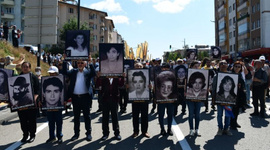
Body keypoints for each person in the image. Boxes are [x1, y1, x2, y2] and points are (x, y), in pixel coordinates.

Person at [62, 56, 96, 142]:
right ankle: (76, 134)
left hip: (85, 97)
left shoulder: (88, 72)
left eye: (81, 63)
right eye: (78, 63)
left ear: (85, 64)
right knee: (76, 117)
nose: (80, 64)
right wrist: (65, 60)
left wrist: (90, 62)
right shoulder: (73, 71)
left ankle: (88, 133)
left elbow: (94, 73)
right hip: (75, 97)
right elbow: (65, 72)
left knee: (86, 116)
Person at [96, 73, 124, 141]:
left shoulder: (116, 77)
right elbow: (97, 85)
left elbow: (121, 84)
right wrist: (98, 77)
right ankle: (105, 133)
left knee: (115, 116)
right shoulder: (103, 77)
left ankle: (117, 133)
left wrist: (123, 77)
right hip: (105, 99)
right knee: (105, 117)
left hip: (114, 99)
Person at [17, 62, 39, 143]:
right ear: (21, 68)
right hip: (21, 104)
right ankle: (25, 135)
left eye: (26, 67)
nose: (25, 68)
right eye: (23, 67)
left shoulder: (34, 77)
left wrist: (34, 99)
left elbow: (38, 90)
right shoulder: (18, 77)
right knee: (23, 120)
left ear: (29, 68)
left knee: (32, 120)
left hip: (32, 104)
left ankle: (32, 135)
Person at [128, 63, 151, 138]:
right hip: (134, 101)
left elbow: (152, 86)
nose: (138, 84)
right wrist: (126, 86)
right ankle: (135, 131)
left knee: (144, 116)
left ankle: (144, 131)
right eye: (135, 82)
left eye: (140, 66)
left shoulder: (147, 75)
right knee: (135, 116)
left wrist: (151, 87)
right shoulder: (132, 93)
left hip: (145, 100)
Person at [43, 66, 64, 144]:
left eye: (53, 73)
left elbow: (64, 92)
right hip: (48, 106)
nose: (51, 75)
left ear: (56, 73)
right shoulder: (46, 81)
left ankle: (60, 136)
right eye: (50, 73)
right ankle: (52, 136)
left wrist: (64, 100)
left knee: (59, 121)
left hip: (58, 105)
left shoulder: (61, 81)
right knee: (51, 121)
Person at [212, 60, 233, 136]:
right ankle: (220, 129)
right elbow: (213, 88)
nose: (223, 65)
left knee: (228, 114)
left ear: (227, 65)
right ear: (219, 66)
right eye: (221, 64)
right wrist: (213, 99)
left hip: (229, 99)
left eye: (225, 64)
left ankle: (226, 129)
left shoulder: (232, 75)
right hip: (219, 98)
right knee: (219, 114)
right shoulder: (216, 76)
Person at [156, 63, 176, 136]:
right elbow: (156, 88)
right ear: (161, 68)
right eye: (164, 68)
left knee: (170, 114)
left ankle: (169, 129)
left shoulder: (173, 76)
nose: (165, 69)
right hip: (160, 99)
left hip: (170, 99)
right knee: (161, 114)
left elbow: (175, 87)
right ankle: (162, 129)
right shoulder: (158, 76)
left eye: (167, 68)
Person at [186, 61, 204, 136]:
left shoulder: (203, 74)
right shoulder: (188, 74)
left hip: (199, 97)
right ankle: (191, 129)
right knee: (190, 114)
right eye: (195, 66)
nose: (197, 67)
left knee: (197, 114)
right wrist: (185, 92)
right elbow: (185, 84)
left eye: (198, 66)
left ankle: (197, 129)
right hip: (190, 96)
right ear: (191, 66)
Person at [230, 61, 246, 130]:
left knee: (236, 110)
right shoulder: (230, 74)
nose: (237, 68)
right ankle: (230, 123)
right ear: (233, 67)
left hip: (238, 95)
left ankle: (235, 122)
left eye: (239, 67)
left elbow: (242, 84)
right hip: (231, 95)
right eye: (236, 66)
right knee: (231, 110)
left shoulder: (240, 75)